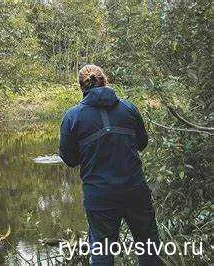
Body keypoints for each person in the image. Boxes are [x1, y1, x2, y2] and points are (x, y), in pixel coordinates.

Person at [58, 65, 162, 265]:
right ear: (105, 81)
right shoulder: (128, 108)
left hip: (99, 195)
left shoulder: (72, 117)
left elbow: (70, 159)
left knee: (102, 250)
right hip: (135, 189)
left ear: (82, 87)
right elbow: (142, 143)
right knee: (148, 244)